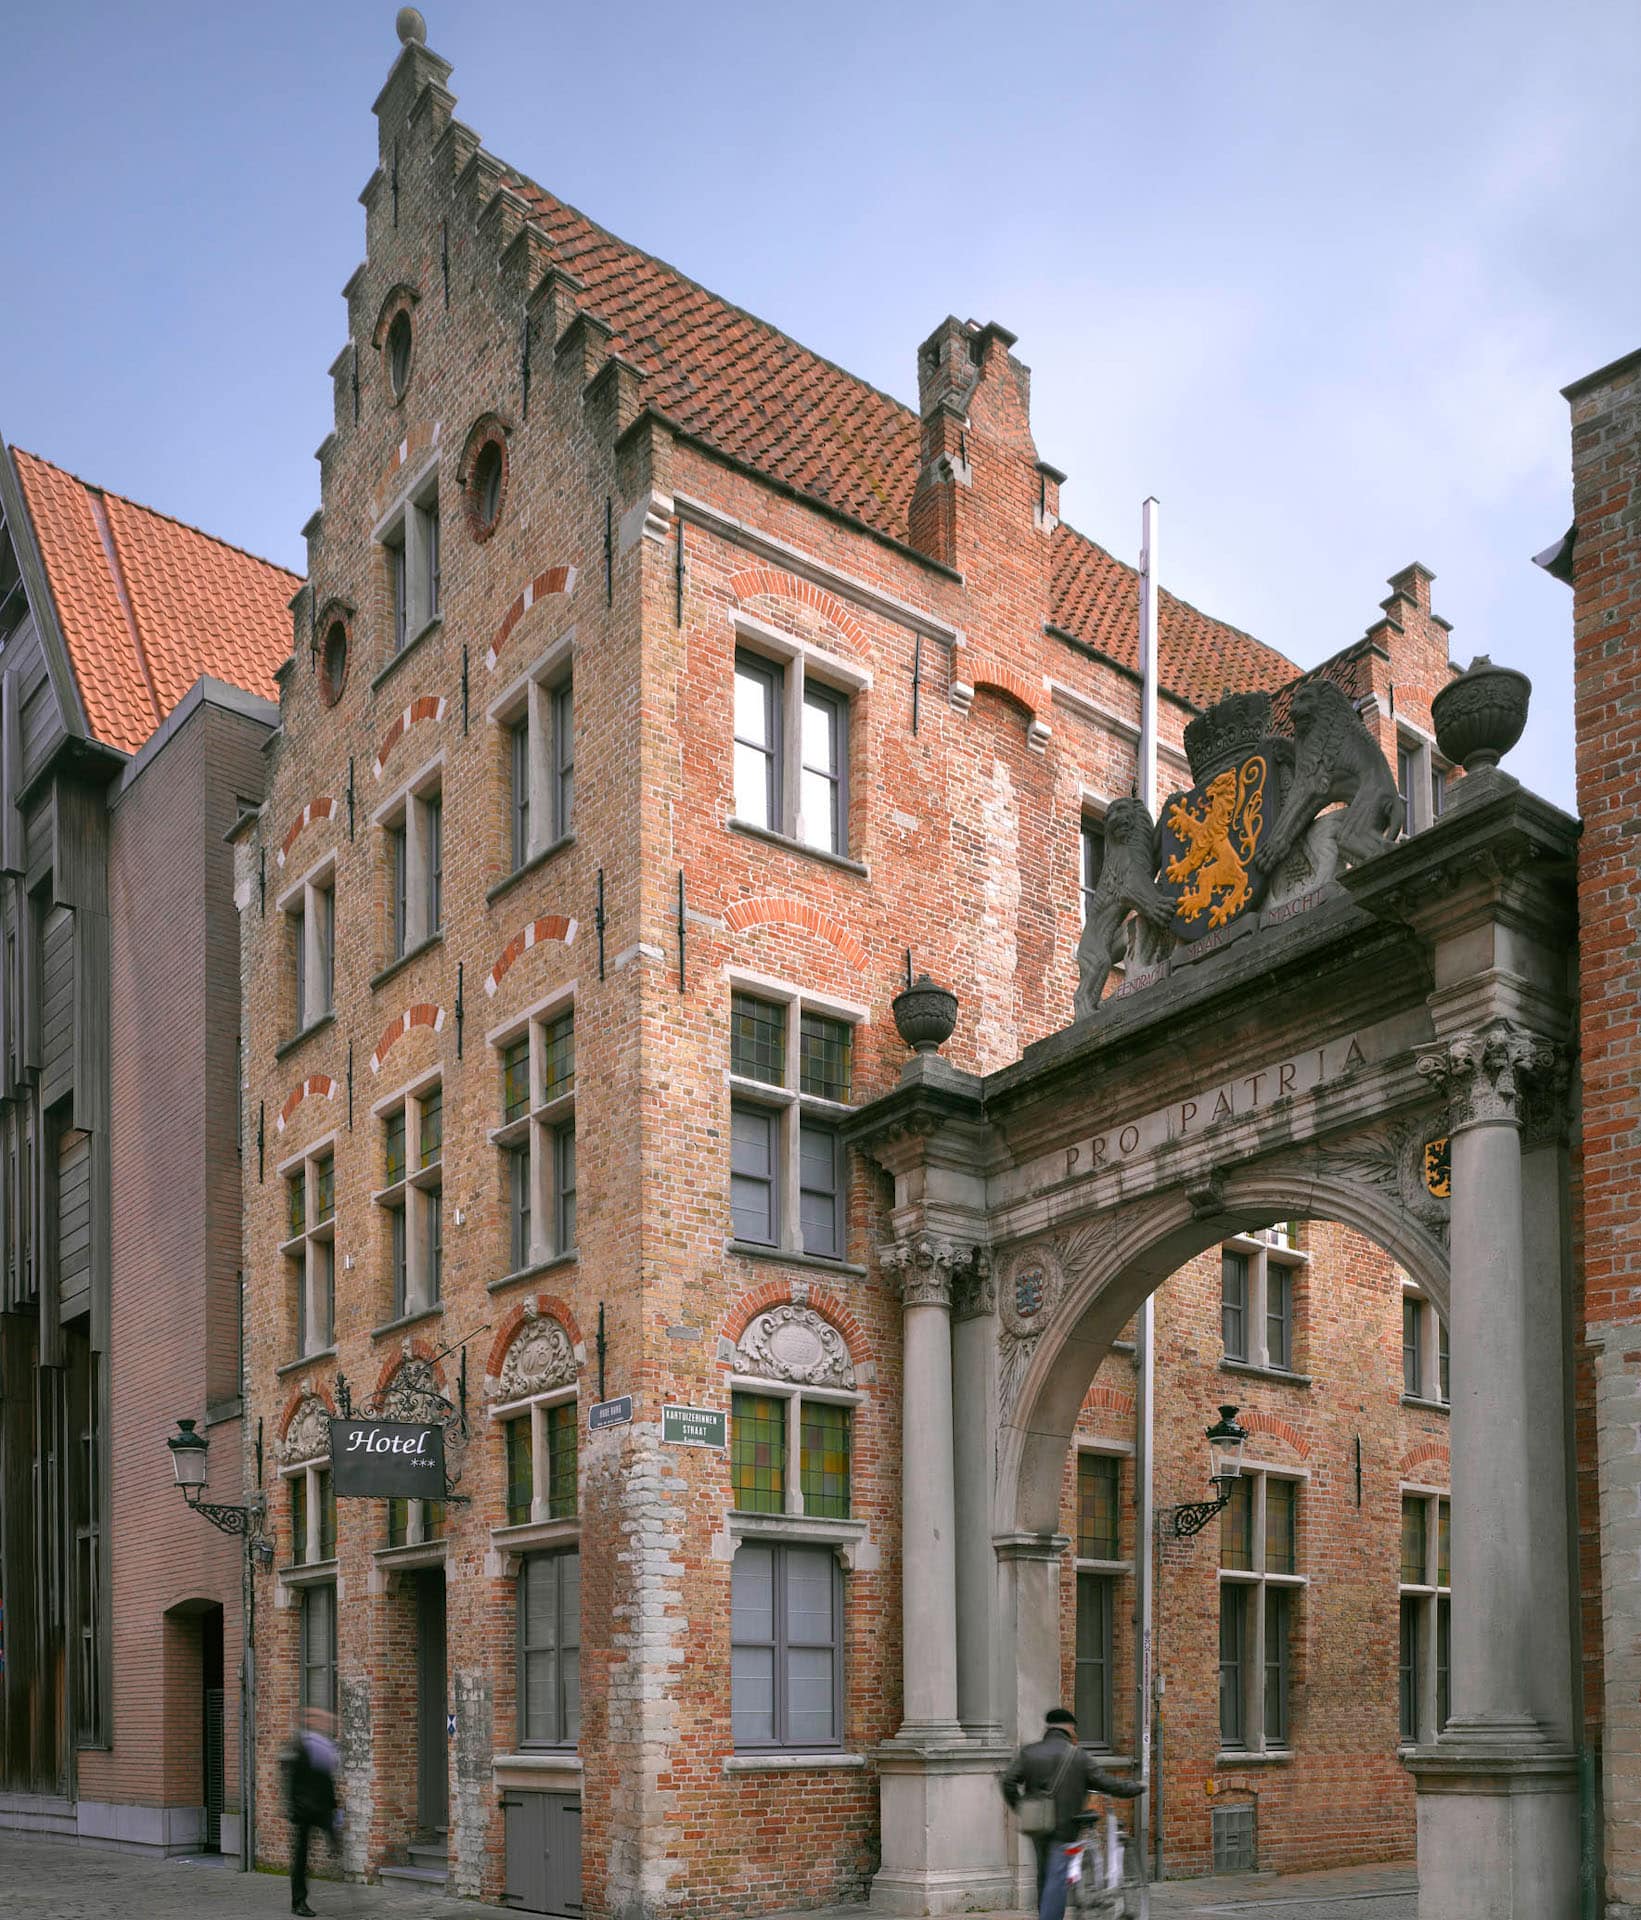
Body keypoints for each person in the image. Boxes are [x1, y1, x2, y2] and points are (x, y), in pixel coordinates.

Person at [1000, 1708, 1142, 1920]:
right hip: (1066, 1828)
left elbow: (1008, 1782)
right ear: (1069, 1727)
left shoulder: (1029, 1752)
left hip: (1037, 1826)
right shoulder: (1078, 1756)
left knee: (1045, 1877)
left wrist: (1021, 1807)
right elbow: (1107, 1783)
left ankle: (1046, 1913)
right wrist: (1136, 1787)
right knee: (1057, 1878)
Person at [280, 1706, 341, 1917]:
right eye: (317, 1718)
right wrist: (296, 1806)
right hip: (305, 1809)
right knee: (300, 1857)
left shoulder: (323, 1744)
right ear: (308, 1721)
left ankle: (334, 1844)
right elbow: (291, 1780)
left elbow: (327, 1779)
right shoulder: (298, 1745)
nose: (324, 1722)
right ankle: (298, 1902)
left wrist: (333, 1807)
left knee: (332, 1839)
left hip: (321, 1807)